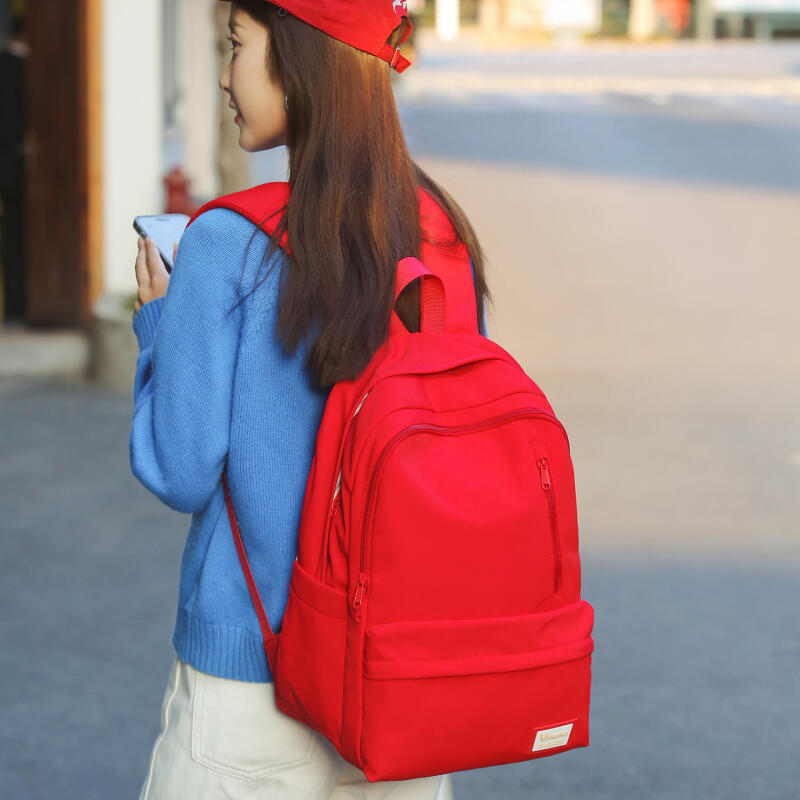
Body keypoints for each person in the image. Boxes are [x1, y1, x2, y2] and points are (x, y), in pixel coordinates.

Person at [130, 1, 489, 798]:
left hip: (250, 684)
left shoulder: (227, 245)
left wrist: (160, 324)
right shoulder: (439, 238)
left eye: (235, 46)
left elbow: (181, 468)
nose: (225, 76)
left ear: (297, 57)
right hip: (400, 686)